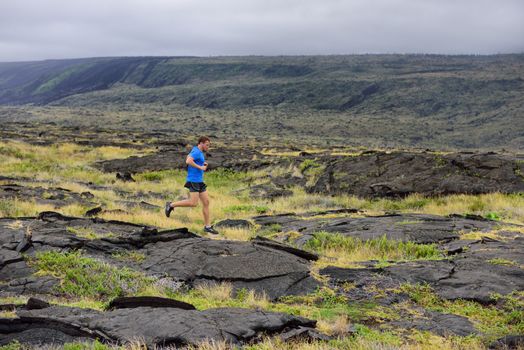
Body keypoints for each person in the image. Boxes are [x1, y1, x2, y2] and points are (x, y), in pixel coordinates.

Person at [164, 136, 219, 234]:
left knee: (206, 202)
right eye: (207, 145)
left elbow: (192, 159)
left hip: (199, 181)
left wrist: (203, 164)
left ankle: (207, 226)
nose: (208, 147)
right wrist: (200, 167)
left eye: (208, 145)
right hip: (193, 180)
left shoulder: (198, 151)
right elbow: (188, 161)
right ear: (201, 143)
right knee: (193, 203)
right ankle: (171, 205)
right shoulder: (197, 152)